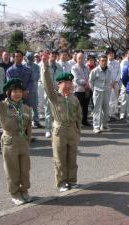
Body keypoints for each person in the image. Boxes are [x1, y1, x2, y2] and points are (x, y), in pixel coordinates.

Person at [41, 52, 82, 192]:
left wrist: (77, 131)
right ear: (59, 84)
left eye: (70, 83)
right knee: (59, 158)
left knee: (72, 157)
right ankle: (61, 182)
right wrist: (45, 67)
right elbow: (46, 83)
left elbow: (79, 116)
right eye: (66, 83)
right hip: (59, 130)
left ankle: (72, 180)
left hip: (72, 130)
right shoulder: (54, 96)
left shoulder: (74, 98)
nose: (69, 85)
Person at [41, 50, 63, 138]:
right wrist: (48, 89)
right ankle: (47, 129)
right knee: (48, 111)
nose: (53, 56)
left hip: (57, 91)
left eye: (55, 55)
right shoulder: (44, 66)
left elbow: (61, 78)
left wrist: (60, 88)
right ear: (49, 55)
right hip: (48, 91)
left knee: (58, 110)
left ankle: (56, 128)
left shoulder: (59, 66)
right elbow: (43, 79)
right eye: (52, 54)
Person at [89, 54, 112, 133]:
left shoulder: (109, 71)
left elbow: (109, 81)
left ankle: (104, 125)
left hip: (107, 92)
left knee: (106, 109)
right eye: (102, 61)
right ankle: (96, 126)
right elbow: (91, 82)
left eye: (105, 61)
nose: (104, 62)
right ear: (99, 61)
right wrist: (94, 90)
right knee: (97, 110)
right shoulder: (95, 71)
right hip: (98, 92)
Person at [71, 52, 91, 126]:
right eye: (79, 58)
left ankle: (84, 120)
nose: (81, 60)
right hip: (78, 90)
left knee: (86, 106)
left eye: (82, 58)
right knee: (77, 107)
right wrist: (86, 83)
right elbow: (76, 79)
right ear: (76, 59)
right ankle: (76, 122)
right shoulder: (74, 67)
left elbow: (89, 77)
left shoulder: (86, 67)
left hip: (86, 89)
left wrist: (88, 83)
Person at [24, 51, 42, 128]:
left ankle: (36, 121)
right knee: (26, 107)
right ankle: (26, 121)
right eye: (29, 58)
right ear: (26, 58)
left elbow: (37, 77)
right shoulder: (23, 66)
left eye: (31, 58)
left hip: (34, 88)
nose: (30, 59)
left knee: (35, 106)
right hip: (26, 89)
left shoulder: (37, 66)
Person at [119, 48, 129, 120]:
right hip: (125, 82)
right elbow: (122, 74)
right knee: (123, 98)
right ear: (126, 54)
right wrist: (125, 83)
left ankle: (128, 113)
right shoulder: (124, 62)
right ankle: (122, 114)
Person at [106, 48, 120, 121]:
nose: (112, 55)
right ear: (107, 55)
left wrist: (115, 81)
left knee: (115, 99)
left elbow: (119, 73)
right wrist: (111, 82)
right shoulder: (105, 63)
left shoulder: (117, 62)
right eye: (110, 53)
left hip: (116, 84)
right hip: (108, 84)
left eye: (113, 53)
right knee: (109, 99)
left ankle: (113, 114)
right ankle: (108, 115)